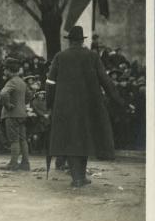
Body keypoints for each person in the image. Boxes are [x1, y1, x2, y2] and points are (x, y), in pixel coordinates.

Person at [46, 26, 126, 187]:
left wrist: (50, 104)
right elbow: (105, 80)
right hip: (89, 106)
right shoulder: (92, 56)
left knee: (70, 139)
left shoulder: (60, 57)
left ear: (70, 41)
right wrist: (118, 100)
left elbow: (50, 83)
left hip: (65, 106)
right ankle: (80, 177)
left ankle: (77, 177)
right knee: (84, 139)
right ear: (82, 41)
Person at [0, 58, 32, 171]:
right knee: (23, 139)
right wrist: (22, 104)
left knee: (14, 140)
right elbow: (29, 95)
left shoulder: (11, 81)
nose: (4, 72)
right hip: (22, 114)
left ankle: (13, 164)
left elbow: (3, 93)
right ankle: (25, 163)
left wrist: (8, 105)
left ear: (9, 70)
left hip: (12, 115)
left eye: (5, 70)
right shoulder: (22, 81)